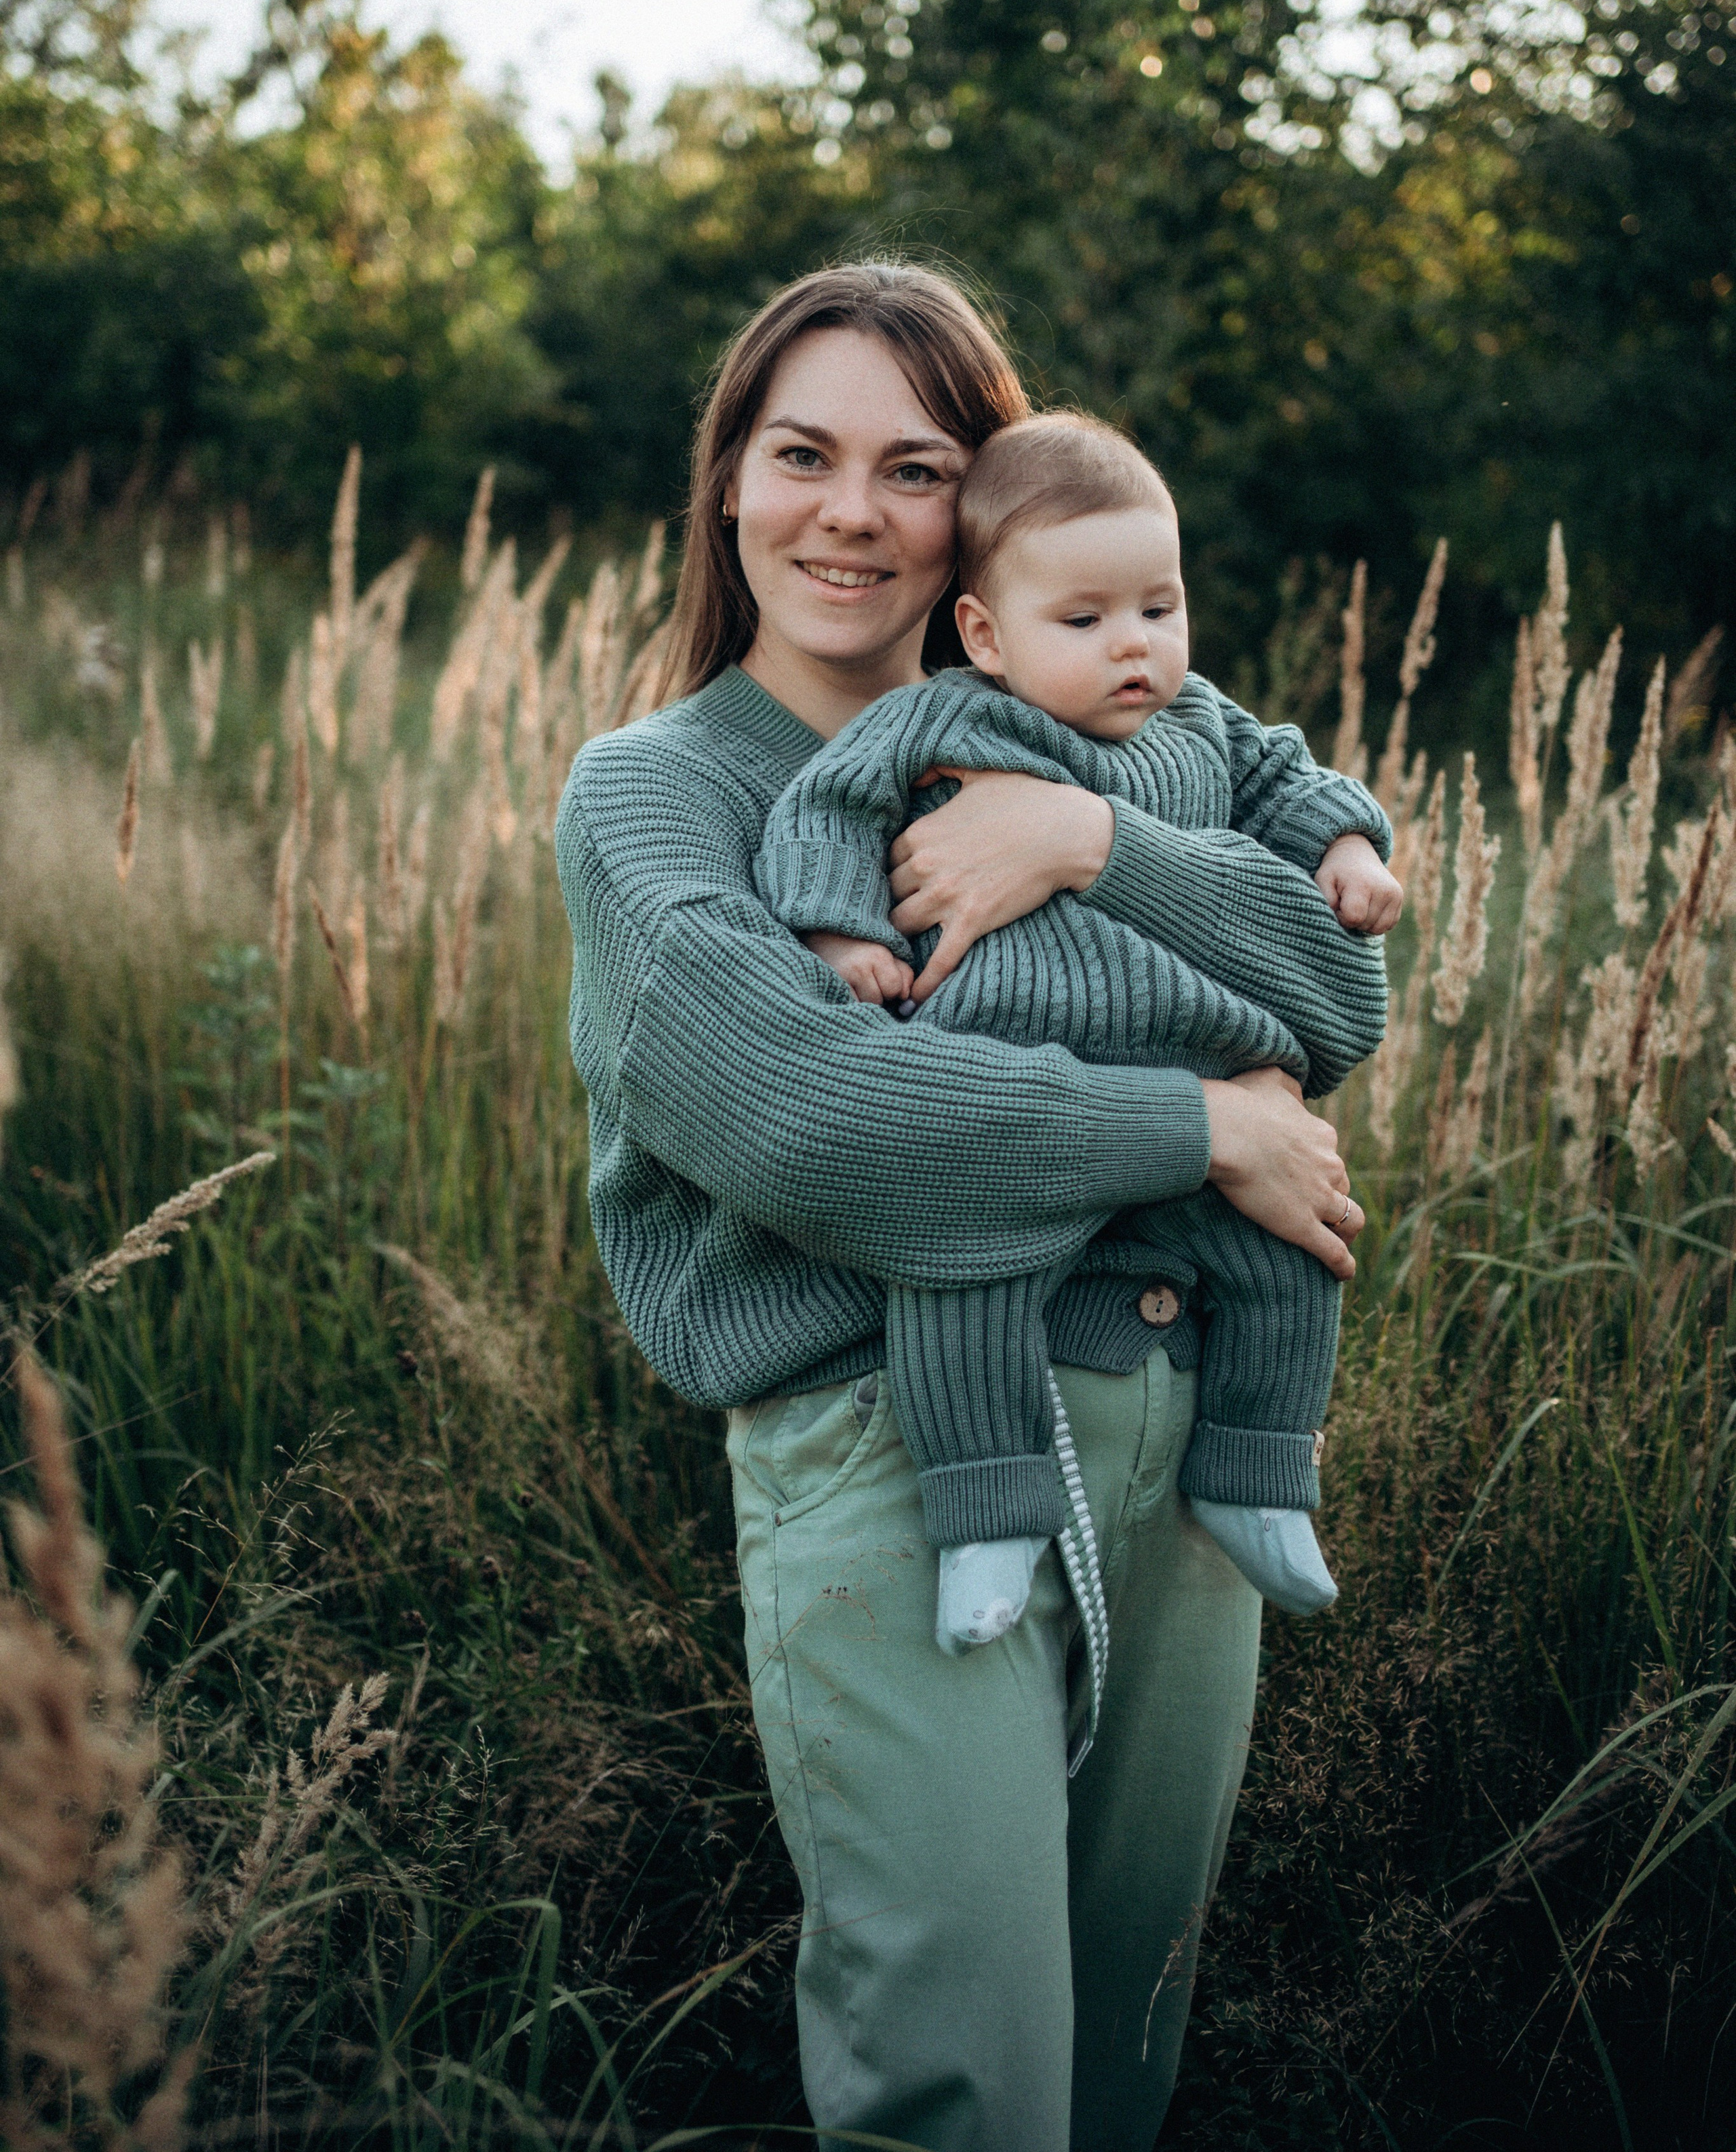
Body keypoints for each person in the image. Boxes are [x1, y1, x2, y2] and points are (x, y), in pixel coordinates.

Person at [555, 262, 1369, 2152]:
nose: (849, 514)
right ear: (729, 483)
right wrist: (1199, 1128)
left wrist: (1094, 842)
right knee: (968, 2080)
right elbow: (823, 1122)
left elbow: (1337, 1001)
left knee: (1122, 2051)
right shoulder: (653, 797)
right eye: (801, 456)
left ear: (980, 516)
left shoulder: (1117, 723)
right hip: (892, 1453)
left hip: (1183, 1431)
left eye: (913, 469)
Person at [754, 412, 1400, 1660]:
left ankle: (1259, 1474)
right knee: (965, 1283)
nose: (1133, 646)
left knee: (1291, 1253)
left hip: (1196, 1061)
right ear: (987, 634)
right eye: (1085, 619)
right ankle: (986, 1517)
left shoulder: (1200, 725)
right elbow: (823, 812)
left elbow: (1288, 778)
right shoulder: (938, 719)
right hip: (1003, 1069)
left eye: (1159, 607)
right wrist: (841, 936)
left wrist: (1346, 849)